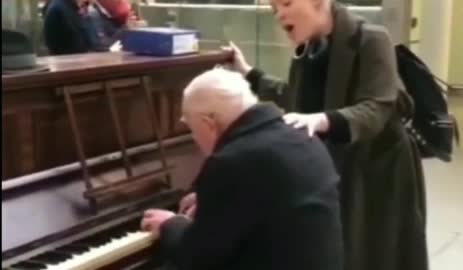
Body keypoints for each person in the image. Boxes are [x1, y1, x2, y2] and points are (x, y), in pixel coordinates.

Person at [181, 1, 429, 270]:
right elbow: (293, 96)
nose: (280, 15)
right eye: (275, 9)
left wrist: (321, 120)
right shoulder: (308, 49)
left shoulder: (371, 38)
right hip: (335, 163)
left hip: (377, 171)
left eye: (286, 3)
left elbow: (376, 107)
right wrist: (249, 73)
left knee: (375, 253)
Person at [140, 68, 344, 270]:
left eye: (192, 129)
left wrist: (170, 224)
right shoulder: (301, 135)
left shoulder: (232, 161)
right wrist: (214, 197)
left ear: (208, 123)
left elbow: (198, 256)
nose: (194, 138)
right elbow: (260, 197)